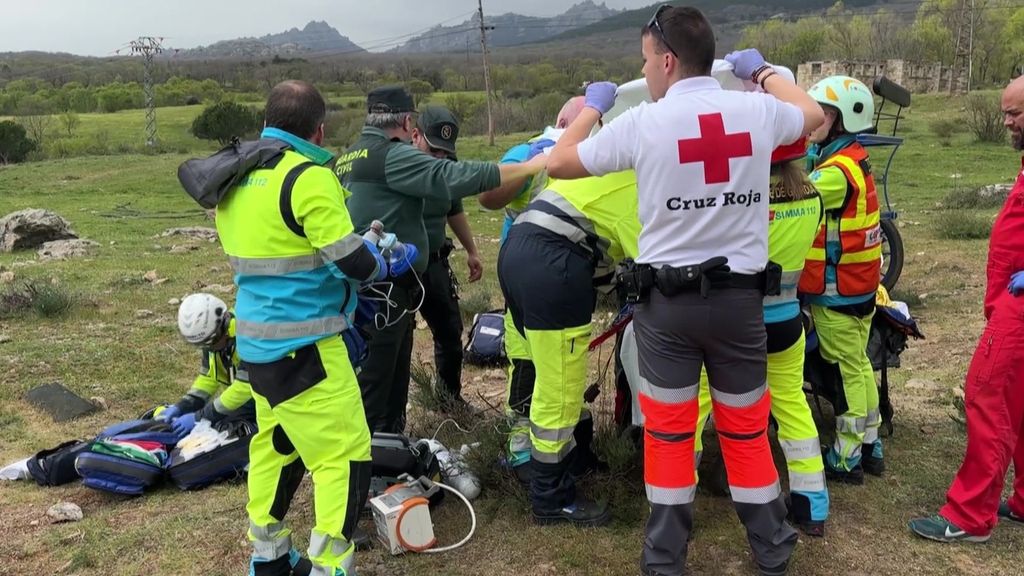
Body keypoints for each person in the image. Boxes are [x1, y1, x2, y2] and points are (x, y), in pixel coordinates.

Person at [546, 5, 824, 575]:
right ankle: (772, 553)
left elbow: (560, 164)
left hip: (667, 312)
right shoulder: (754, 111)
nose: (645, 71)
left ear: (667, 61)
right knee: (747, 431)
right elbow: (813, 114)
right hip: (739, 307)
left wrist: (593, 107)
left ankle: (665, 562)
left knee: (670, 438)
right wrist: (765, 71)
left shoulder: (643, 122)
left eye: (646, 60)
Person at [214, 80, 386, 576]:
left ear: (268, 119)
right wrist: (384, 258)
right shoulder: (308, 177)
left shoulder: (238, 174)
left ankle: (266, 557)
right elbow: (352, 262)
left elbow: (275, 253)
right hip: (307, 346)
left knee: (276, 444)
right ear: (319, 128)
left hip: (256, 346)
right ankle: (330, 565)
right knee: (345, 456)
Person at [337, 85, 547, 434]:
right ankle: (373, 459)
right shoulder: (391, 154)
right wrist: (530, 167)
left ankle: (390, 442)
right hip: (385, 285)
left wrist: (470, 250)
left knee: (387, 365)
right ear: (407, 123)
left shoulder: (348, 156)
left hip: (373, 280)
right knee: (380, 373)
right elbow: (455, 177)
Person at [693, 139, 830, 537]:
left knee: (696, 406)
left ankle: (676, 507)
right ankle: (811, 506)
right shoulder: (814, 197)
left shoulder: (739, 197)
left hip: (735, 324)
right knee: (792, 407)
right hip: (787, 319)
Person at [908, 76, 1024, 543]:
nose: (1006, 122)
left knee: (985, 393)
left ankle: (970, 515)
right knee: (1018, 401)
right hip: (1007, 300)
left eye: (1014, 113)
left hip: (1018, 309)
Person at [499, 161, 640, 526]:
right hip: (553, 265)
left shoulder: (615, 173)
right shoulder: (642, 190)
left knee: (558, 371)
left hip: (518, 251)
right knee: (559, 385)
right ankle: (551, 497)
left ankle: (575, 460)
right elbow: (651, 261)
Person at [474, 96, 588, 481]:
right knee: (531, 368)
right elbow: (488, 195)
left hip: (549, 277)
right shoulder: (533, 151)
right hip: (535, 279)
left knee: (552, 370)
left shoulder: (589, 153)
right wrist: (537, 163)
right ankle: (529, 456)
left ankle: (551, 448)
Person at [798, 75, 883, 484]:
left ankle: (847, 456)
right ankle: (871, 443)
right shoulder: (855, 157)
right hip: (859, 283)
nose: (810, 120)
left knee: (843, 370)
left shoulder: (834, 174)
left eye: (817, 114)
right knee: (859, 363)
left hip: (836, 290)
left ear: (836, 118)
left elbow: (792, 199)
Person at [409, 105, 482, 409]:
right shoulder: (397, 166)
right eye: (434, 149)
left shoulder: (446, 170)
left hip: (436, 263)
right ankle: (390, 417)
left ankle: (449, 399)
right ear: (416, 137)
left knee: (450, 332)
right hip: (403, 268)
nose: (440, 158)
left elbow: (455, 210)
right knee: (398, 341)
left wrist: (473, 251)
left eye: (445, 152)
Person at [156, 293, 256, 436]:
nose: (208, 349)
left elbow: (245, 387)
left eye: (208, 343)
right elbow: (209, 377)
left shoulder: (248, 336)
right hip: (247, 397)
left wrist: (201, 416)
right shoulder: (214, 339)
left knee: (226, 426)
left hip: (269, 397)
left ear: (224, 326)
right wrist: (183, 406)